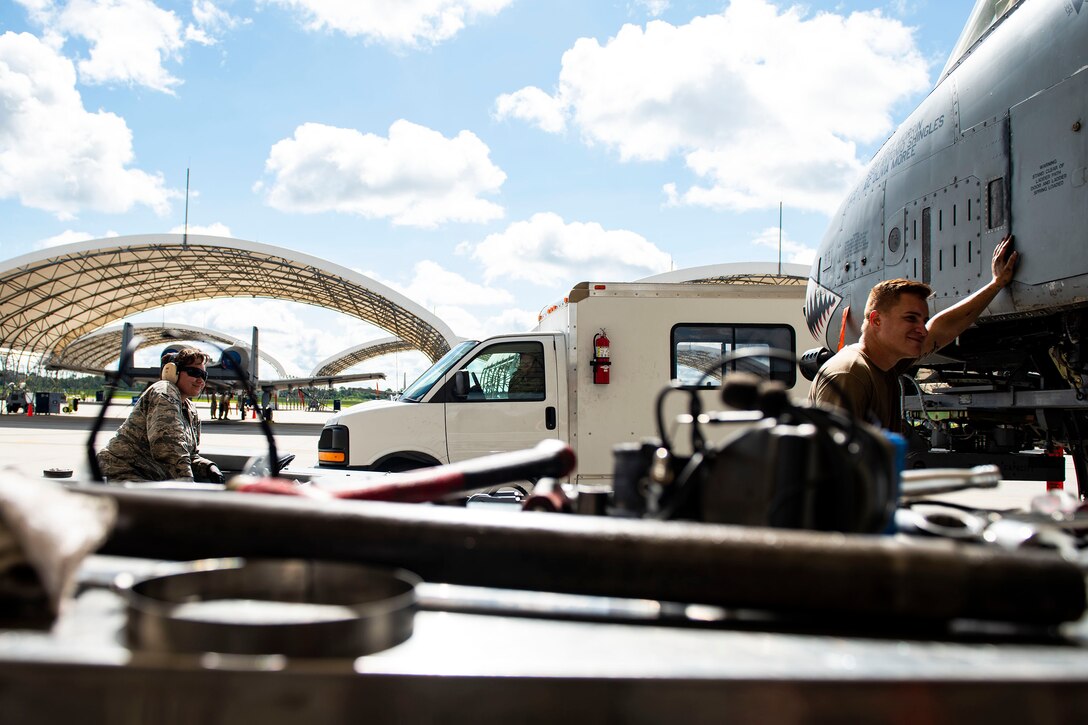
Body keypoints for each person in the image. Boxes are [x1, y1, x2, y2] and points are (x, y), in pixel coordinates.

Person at [808, 235, 1019, 429]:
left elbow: (941, 329)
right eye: (910, 318)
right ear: (876, 320)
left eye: (923, 320)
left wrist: (996, 284)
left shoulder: (884, 364)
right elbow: (831, 463)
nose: (922, 330)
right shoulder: (849, 374)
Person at [96, 348, 223, 483]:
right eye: (194, 373)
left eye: (204, 375)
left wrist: (208, 467)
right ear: (172, 372)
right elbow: (168, 446)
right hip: (121, 474)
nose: (200, 380)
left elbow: (189, 455)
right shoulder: (165, 391)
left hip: (150, 478)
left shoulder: (190, 409)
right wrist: (187, 482)